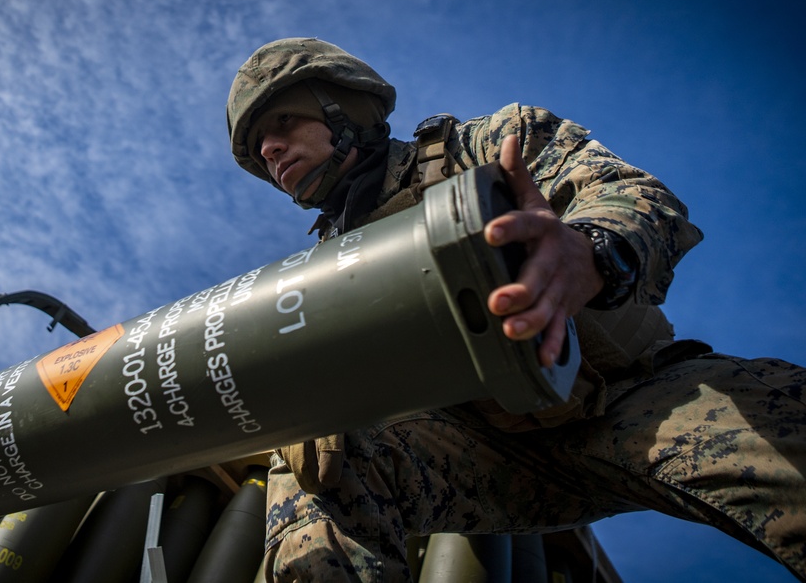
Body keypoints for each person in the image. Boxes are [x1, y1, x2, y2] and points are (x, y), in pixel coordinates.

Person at [226, 37, 806, 581]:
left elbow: (634, 196)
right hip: (491, 450)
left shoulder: (481, 150)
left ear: (345, 109)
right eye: (258, 150)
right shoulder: (319, 271)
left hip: (637, 399)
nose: (271, 150)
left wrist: (588, 251)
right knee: (318, 456)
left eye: (283, 122)